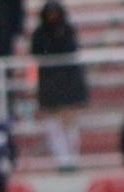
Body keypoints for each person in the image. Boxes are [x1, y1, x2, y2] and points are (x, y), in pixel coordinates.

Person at [31, 1, 88, 171]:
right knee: (53, 122)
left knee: (70, 120)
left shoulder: (67, 29)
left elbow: (70, 49)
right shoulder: (40, 33)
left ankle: (72, 156)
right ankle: (62, 158)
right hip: (49, 82)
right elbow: (38, 52)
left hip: (68, 80)